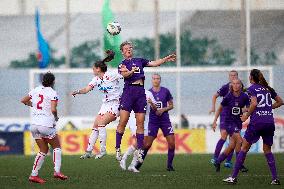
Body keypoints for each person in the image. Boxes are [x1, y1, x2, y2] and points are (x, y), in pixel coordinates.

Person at [115, 41, 176, 163]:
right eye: (126, 48)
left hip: (140, 92)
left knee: (140, 123)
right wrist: (131, 71)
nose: (129, 50)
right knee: (123, 121)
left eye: (130, 48)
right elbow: (125, 75)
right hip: (128, 92)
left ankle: (139, 150)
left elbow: (154, 63)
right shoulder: (122, 64)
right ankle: (117, 148)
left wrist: (165, 59)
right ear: (122, 52)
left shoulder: (139, 60)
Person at [223, 69, 283, 185]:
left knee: (243, 148)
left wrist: (246, 116)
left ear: (251, 77)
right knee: (267, 150)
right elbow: (280, 102)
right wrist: (267, 108)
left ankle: (233, 177)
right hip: (269, 122)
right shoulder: (268, 89)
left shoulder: (252, 89)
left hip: (257, 123)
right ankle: (275, 179)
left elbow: (254, 104)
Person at [71, 50, 122, 159]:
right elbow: (86, 89)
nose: (92, 70)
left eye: (93, 68)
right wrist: (78, 91)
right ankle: (88, 151)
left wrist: (131, 71)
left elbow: (124, 75)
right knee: (95, 126)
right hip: (105, 105)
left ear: (98, 69)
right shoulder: (96, 79)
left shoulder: (111, 75)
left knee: (101, 123)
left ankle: (103, 150)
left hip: (116, 103)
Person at [21, 72, 68, 184]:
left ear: (42, 80)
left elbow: (23, 100)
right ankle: (57, 171)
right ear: (53, 82)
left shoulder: (35, 90)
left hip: (34, 126)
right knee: (57, 146)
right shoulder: (53, 93)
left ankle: (34, 175)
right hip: (45, 125)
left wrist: (32, 105)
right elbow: (53, 109)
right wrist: (56, 117)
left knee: (43, 150)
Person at [135, 73, 175, 171]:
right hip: (153, 121)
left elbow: (171, 105)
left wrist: (163, 109)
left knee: (172, 143)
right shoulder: (148, 93)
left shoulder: (165, 91)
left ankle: (169, 166)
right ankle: (137, 165)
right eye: (154, 79)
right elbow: (147, 108)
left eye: (157, 78)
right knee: (147, 144)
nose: (156, 80)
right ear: (152, 80)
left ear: (160, 80)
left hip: (165, 120)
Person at [212, 78, 249, 172]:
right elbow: (220, 108)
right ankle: (240, 164)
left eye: (237, 83)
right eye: (234, 83)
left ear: (241, 85)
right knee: (240, 141)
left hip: (238, 122)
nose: (236, 85)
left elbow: (248, 108)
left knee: (232, 145)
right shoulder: (228, 96)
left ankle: (218, 161)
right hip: (228, 122)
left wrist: (243, 111)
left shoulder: (244, 96)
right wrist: (215, 120)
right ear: (231, 85)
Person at [119, 89, 157, 173]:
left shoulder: (148, 93)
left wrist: (151, 103)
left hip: (145, 120)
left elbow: (155, 109)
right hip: (134, 119)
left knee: (144, 143)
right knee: (140, 140)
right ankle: (124, 158)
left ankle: (132, 165)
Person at [209, 70, 238, 168]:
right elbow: (214, 96)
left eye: (235, 75)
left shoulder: (240, 87)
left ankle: (228, 161)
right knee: (223, 136)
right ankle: (215, 157)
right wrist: (213, 107)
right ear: (229, 77)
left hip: (235, 116)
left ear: (237, 77)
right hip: (225, 115)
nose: (233, 77)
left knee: (233, 139)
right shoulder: (226, 87)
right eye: (231, 75)